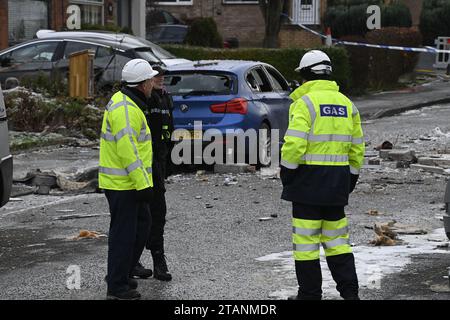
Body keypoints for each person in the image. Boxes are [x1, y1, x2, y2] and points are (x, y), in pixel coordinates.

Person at [280, 50, 365, 300]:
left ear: (306, 75)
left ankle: (309, 295)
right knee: (338, 243)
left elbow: (294, 145)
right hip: (337, 186)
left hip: (306, 186)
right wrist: (350, 179)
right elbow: (357, 148)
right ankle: (350, 295)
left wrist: (288, 174)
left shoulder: (304, 104)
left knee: (306, 247)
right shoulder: (348, 104)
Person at [99, 58, 158, 300]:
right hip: (124, 184)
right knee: (124, 235)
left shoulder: (129, 103)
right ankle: (116, 285)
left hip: (127, 183)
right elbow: (128, 150)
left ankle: (121, 273)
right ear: (143, 84)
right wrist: (143, 184)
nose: (154, 83)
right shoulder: (126, 109)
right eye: (151, 79)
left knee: (141, 227)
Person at [132, 64, 174, 281]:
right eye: (155, 76)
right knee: (140, 215)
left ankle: (159, 261)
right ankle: (133, 262)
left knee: (158, 214)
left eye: (162, 75)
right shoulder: (143, 100)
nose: (160, 78)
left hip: (158, 164)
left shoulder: (166, 98)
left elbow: (169, 131)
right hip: (140, 165)